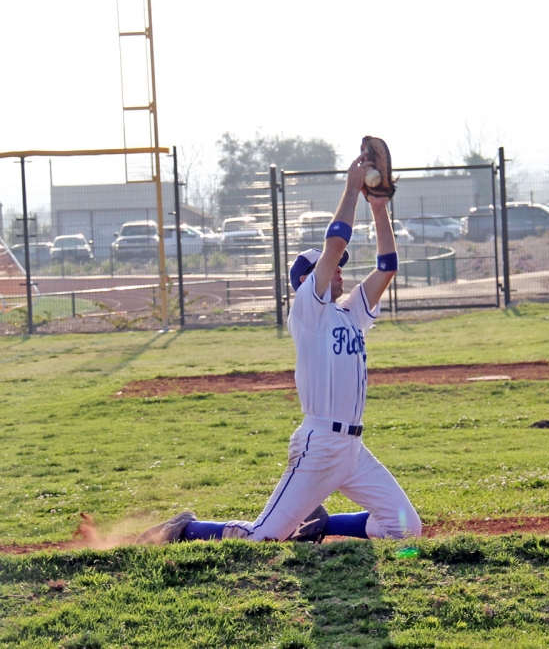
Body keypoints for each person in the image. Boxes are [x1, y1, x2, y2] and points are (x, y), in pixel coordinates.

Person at [137, 149, 422, 545]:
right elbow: (336, 244)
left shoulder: (350, 312)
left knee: (407, 529)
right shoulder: (308, 311)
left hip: (352, 449)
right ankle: (184, 530)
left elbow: (388, 267)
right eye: (326, 266)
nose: (337, 268)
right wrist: (351, 189)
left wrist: (378, 209)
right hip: (318, 446)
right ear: (306, 281)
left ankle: (318, 525)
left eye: (336, 266)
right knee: (263, 538)